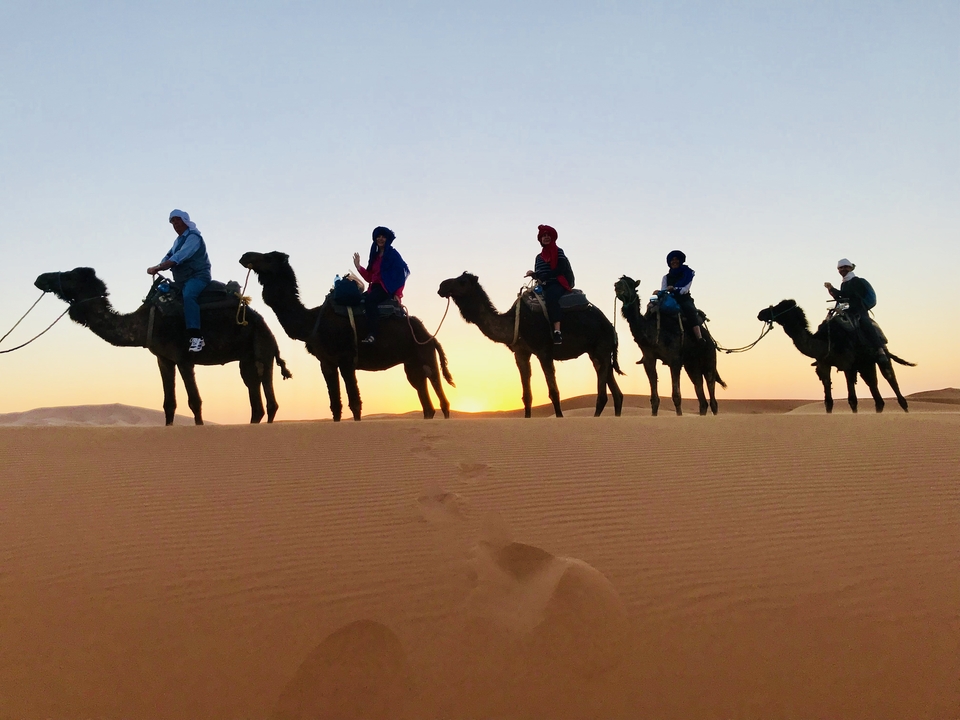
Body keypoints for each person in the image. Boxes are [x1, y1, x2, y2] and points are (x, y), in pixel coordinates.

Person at [147, 209, 212, 352]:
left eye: (178, 220)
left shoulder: (194, 237)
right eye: (173, 221)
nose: (175, 224)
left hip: (198, 276)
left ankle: (196, 337)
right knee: (162, 297)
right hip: (182, 279)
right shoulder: (178, 241)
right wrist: (158, 266)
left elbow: (180, 256)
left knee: (189, 295)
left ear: (185, 221)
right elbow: (169, 255)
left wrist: (160, 267)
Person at [352, 226, 410, 344]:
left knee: (370, 301)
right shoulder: (375, 257)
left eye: (383, 236)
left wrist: (398, 293)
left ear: (387, 238)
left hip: (386, 288)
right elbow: (370, 277)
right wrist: (358, 267)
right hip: (374, 288)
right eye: (378, 236)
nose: (380, 239)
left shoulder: (393, 255)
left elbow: (400, 275)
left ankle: (373, 334)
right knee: (356, 300)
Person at [824, 258, 886, 359]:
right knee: (828, 324)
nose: (843, 269)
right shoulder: (844, 283)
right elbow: (841, 298)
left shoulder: (856, 281)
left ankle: (880, 349)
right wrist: (831, 290)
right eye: (841, 268)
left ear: (850, 268)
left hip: (858, 309)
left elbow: (849, 295)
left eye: (845, 267)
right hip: (847, 309)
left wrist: (832, 289)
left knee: (865, 323)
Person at [525, 224, 574, 345]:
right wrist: (534, 274)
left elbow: (561, 268)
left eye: (548, 235)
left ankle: (557, 331)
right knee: (526, 300)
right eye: (544, 235)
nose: (546, 237)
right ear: (540, 239)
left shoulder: (558, 251)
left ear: (552, 237)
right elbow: (540, 273)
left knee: (551, 298)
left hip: (557, 283)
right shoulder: (539, 257)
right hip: (543, 285)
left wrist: (546, 276)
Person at [661, 250, 704, 341]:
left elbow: (685, 289)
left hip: (684, 299)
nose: (674, 261)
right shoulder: (666, 277)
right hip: (670, 299)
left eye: (676, 259)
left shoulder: (688, 273)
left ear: (680, 261)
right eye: (672, 260)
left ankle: (699, 337)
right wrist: (659, 292)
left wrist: (674, 289)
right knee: (653, 307)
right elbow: (664, 290)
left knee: (690, 310)